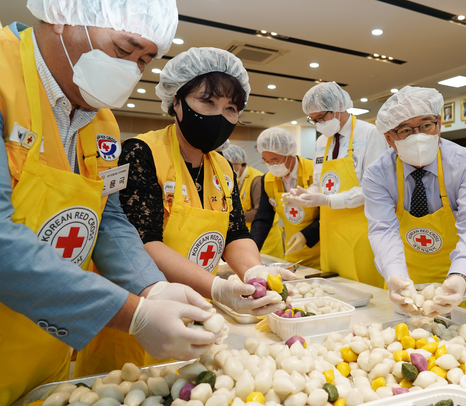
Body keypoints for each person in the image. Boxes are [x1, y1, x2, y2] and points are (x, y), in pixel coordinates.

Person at [0, 0, 224, 403]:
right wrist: (133, 314)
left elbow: (108, 219)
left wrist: (152, 287)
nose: (130, 70)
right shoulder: (3, 78)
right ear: (63, 15)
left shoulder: (100, 120)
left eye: (144, 60)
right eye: (124, 50)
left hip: (46, 353)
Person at [74, 47, 293, 377]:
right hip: (140, 321)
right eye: (207, 102)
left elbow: (235, 233)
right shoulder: (141, 153)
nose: (220, 115)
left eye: (230, 108)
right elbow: (141, 241)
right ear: (176, 102)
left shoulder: (221, 167)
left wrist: (253, 272)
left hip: (197, 317)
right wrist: (216, 288)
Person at [363, 86, 466, 316]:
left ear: (439, 124)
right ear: (389, 138)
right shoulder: (378, 173)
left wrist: (460, 276)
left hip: (458, 277)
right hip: (404, 278)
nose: (418, 136)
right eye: (405, 130)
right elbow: (383, 229)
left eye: (426, 125)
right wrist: (396, 277)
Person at [283, 82, 387, 287]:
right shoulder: (322, 141)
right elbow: (319, 184)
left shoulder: (369, 134)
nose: (318, 124)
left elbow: (374, 189)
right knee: (335, 288)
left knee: (364, 288)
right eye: (313, 120)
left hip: (362, 230)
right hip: (330, 231)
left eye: (321, 118)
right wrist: (305, 195)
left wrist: (328, 200)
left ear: (339, 107)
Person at [251, 128, 321, 269]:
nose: (271, 165)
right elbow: (263, 219)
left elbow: (329, 213)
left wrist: (306, 235)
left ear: (290, 153)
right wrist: (251, 249)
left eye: (275, 160)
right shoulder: (267, 180)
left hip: (322, 250)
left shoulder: (316, 171)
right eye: (266, 161)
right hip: (293, 253)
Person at [222, 144, 285, 259]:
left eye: (230, 165)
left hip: (266, 238)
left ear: (239, 163)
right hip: (247, 236)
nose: (227, 169)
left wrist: (231, 218)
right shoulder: (234, 180)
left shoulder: (256, 180)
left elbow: (259, 212)